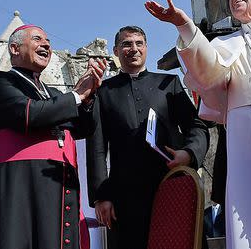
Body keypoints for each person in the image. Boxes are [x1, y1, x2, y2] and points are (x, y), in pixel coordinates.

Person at [146, 0, 251, 249]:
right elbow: (207, 72)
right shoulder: (226, 44)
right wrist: (184, 25)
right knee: (249, 214)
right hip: (245, 146)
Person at [0, 24, 107, 249]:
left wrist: (88, 99)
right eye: (38, 39)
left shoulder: (54, 93)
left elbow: (83, 128)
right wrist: (77, 95)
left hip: (60, 186)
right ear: (14, 48)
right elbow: (28, 114)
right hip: (21, 188)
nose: (47, 45)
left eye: (48, 41)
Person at [86, 25, 209, 248]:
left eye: (138, 43)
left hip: (171, 184)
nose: (133, 49)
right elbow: (97, 147)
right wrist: (101, 196)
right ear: (115, 50)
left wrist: (189, 153)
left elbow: (197, 125)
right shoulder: (103, 91)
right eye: (126, 44)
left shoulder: (168, 84)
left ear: (146, 48)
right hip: (125, 195)